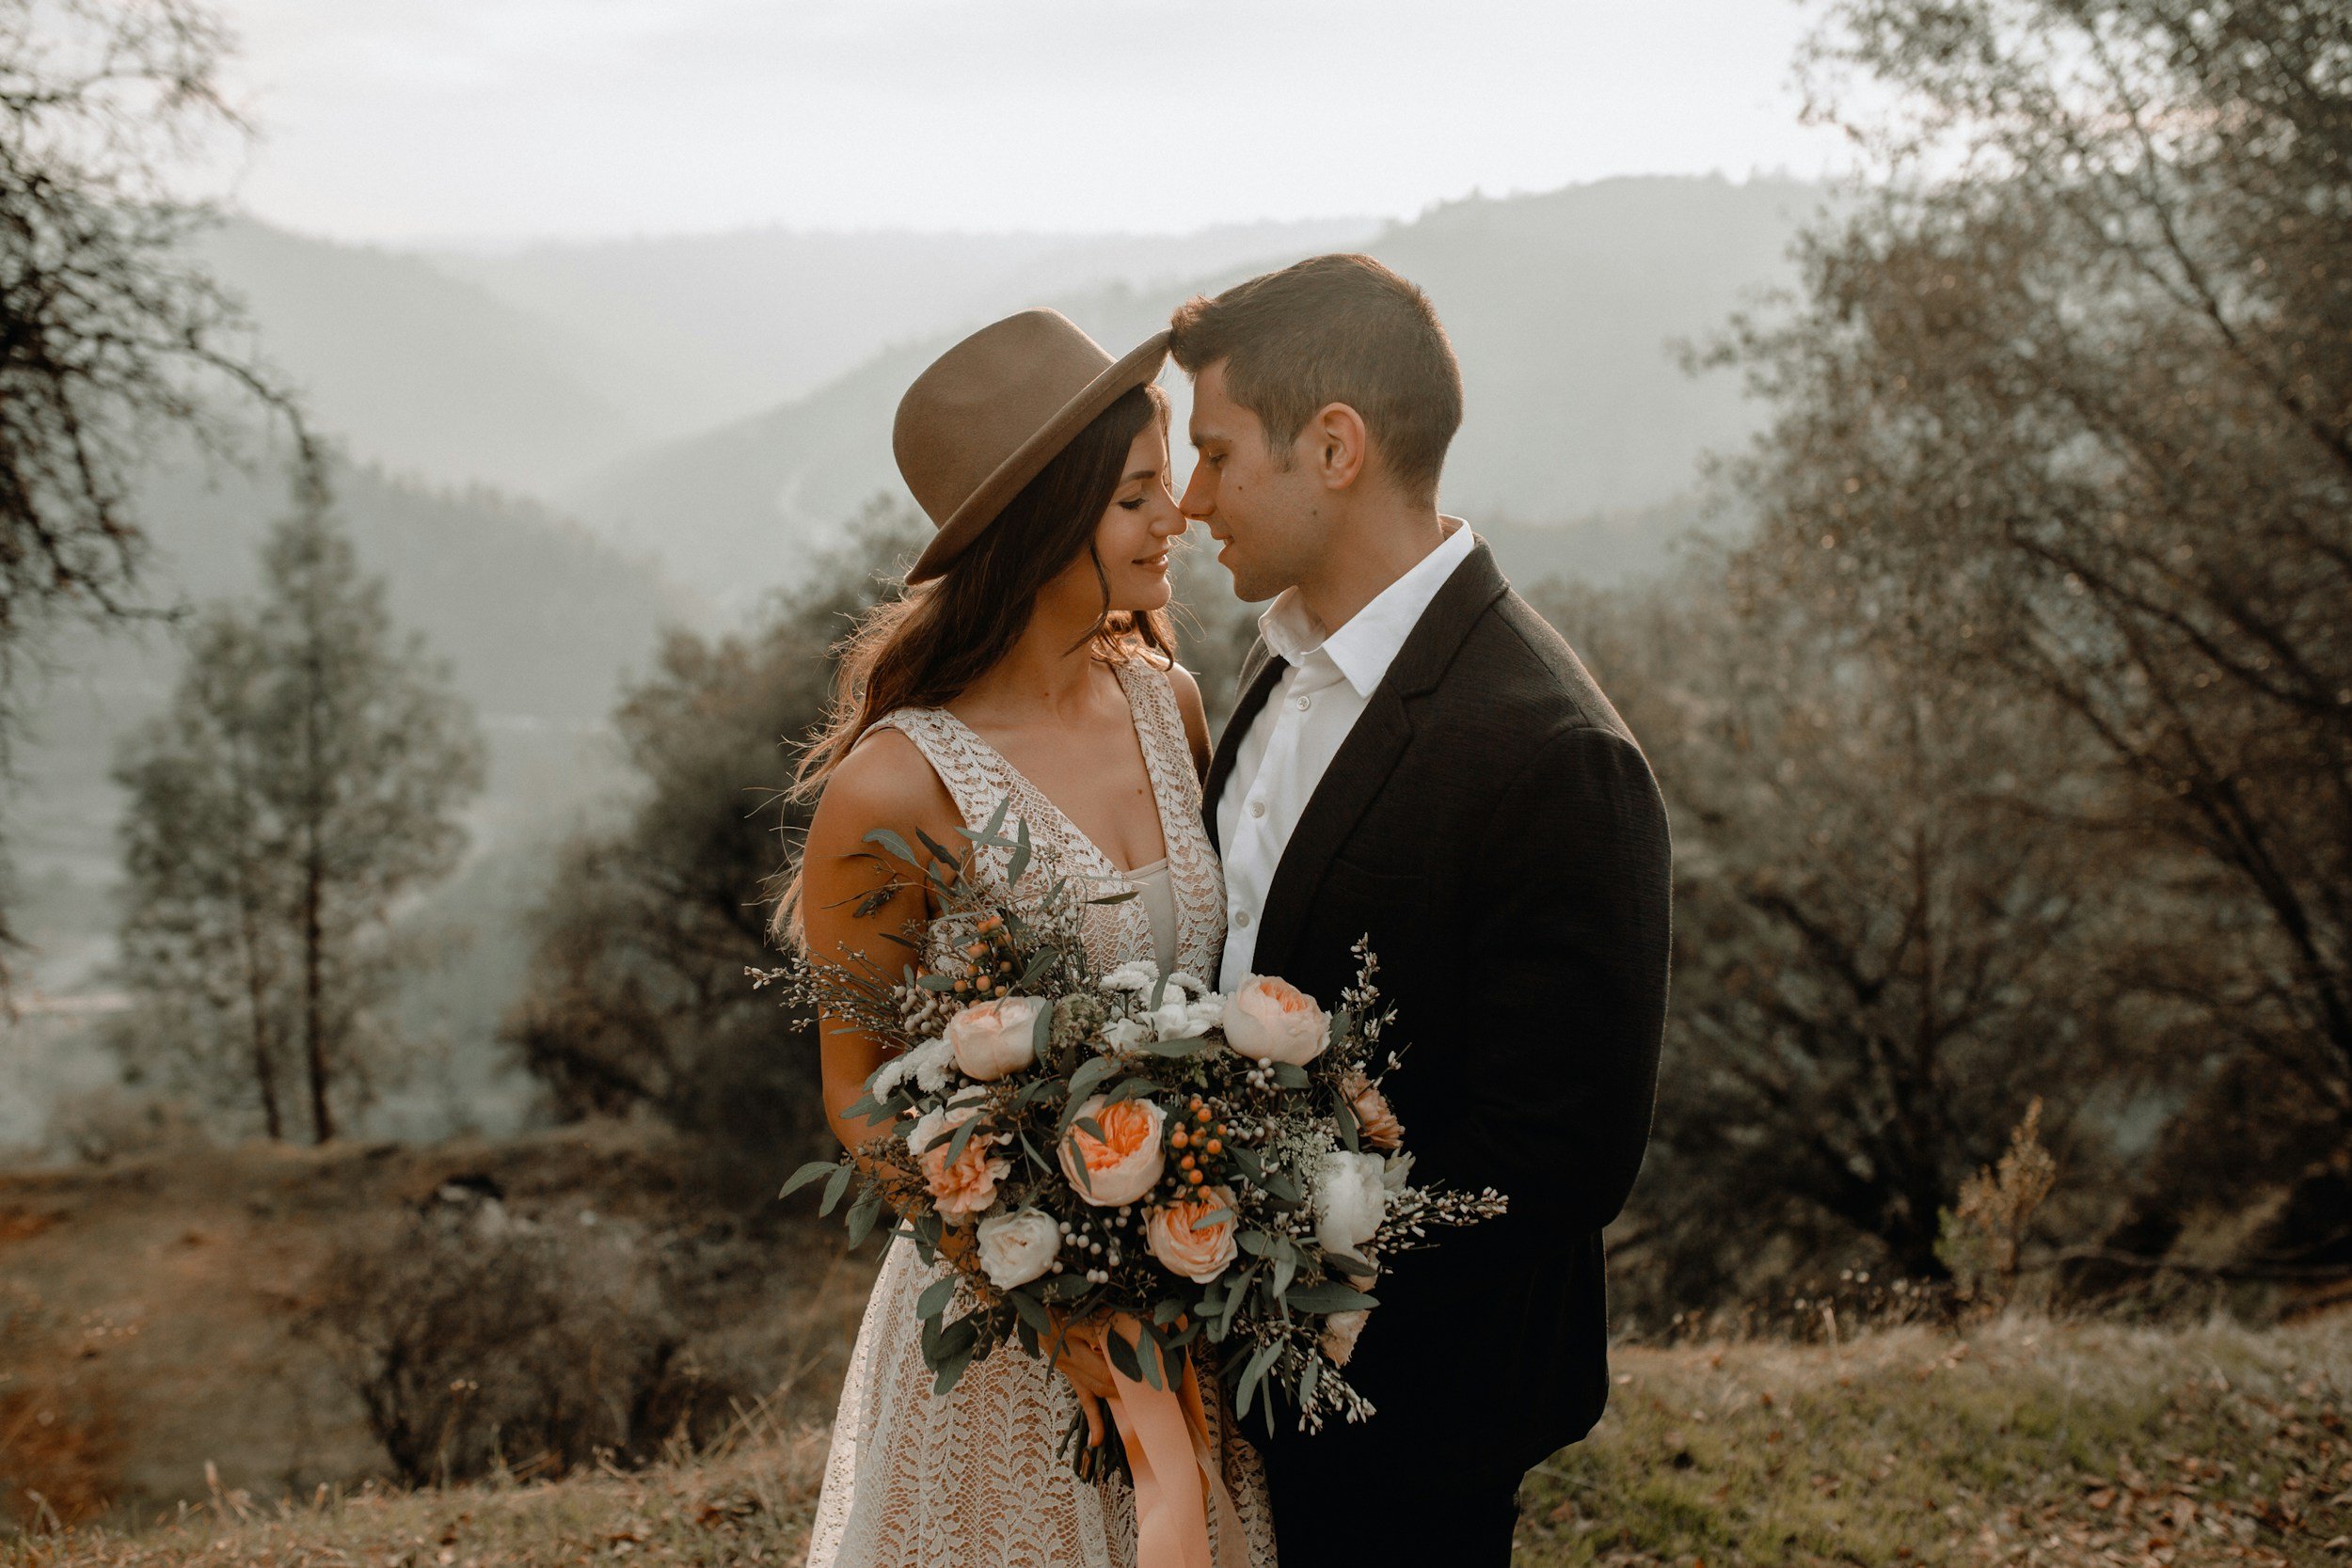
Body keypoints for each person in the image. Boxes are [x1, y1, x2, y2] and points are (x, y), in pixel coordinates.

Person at [1168, 253, 1673, 1566]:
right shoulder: (1271, 664)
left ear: (1332, 446)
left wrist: (1289, 1280)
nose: (1189, 497)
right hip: (1226, 1398)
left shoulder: (1552, 753)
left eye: (1217, 454)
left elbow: (1558, 1162)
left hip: (1411, 1425)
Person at [786, 308, 1276, 1568]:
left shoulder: (1165, 699)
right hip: (1009, 1340)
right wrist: (1043, 1288)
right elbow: (859, 1097)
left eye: (1165, 485)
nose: (1175, 518)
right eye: (1134, 498)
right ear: (1042, 527)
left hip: (1192, 1291)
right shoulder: (893, 790)